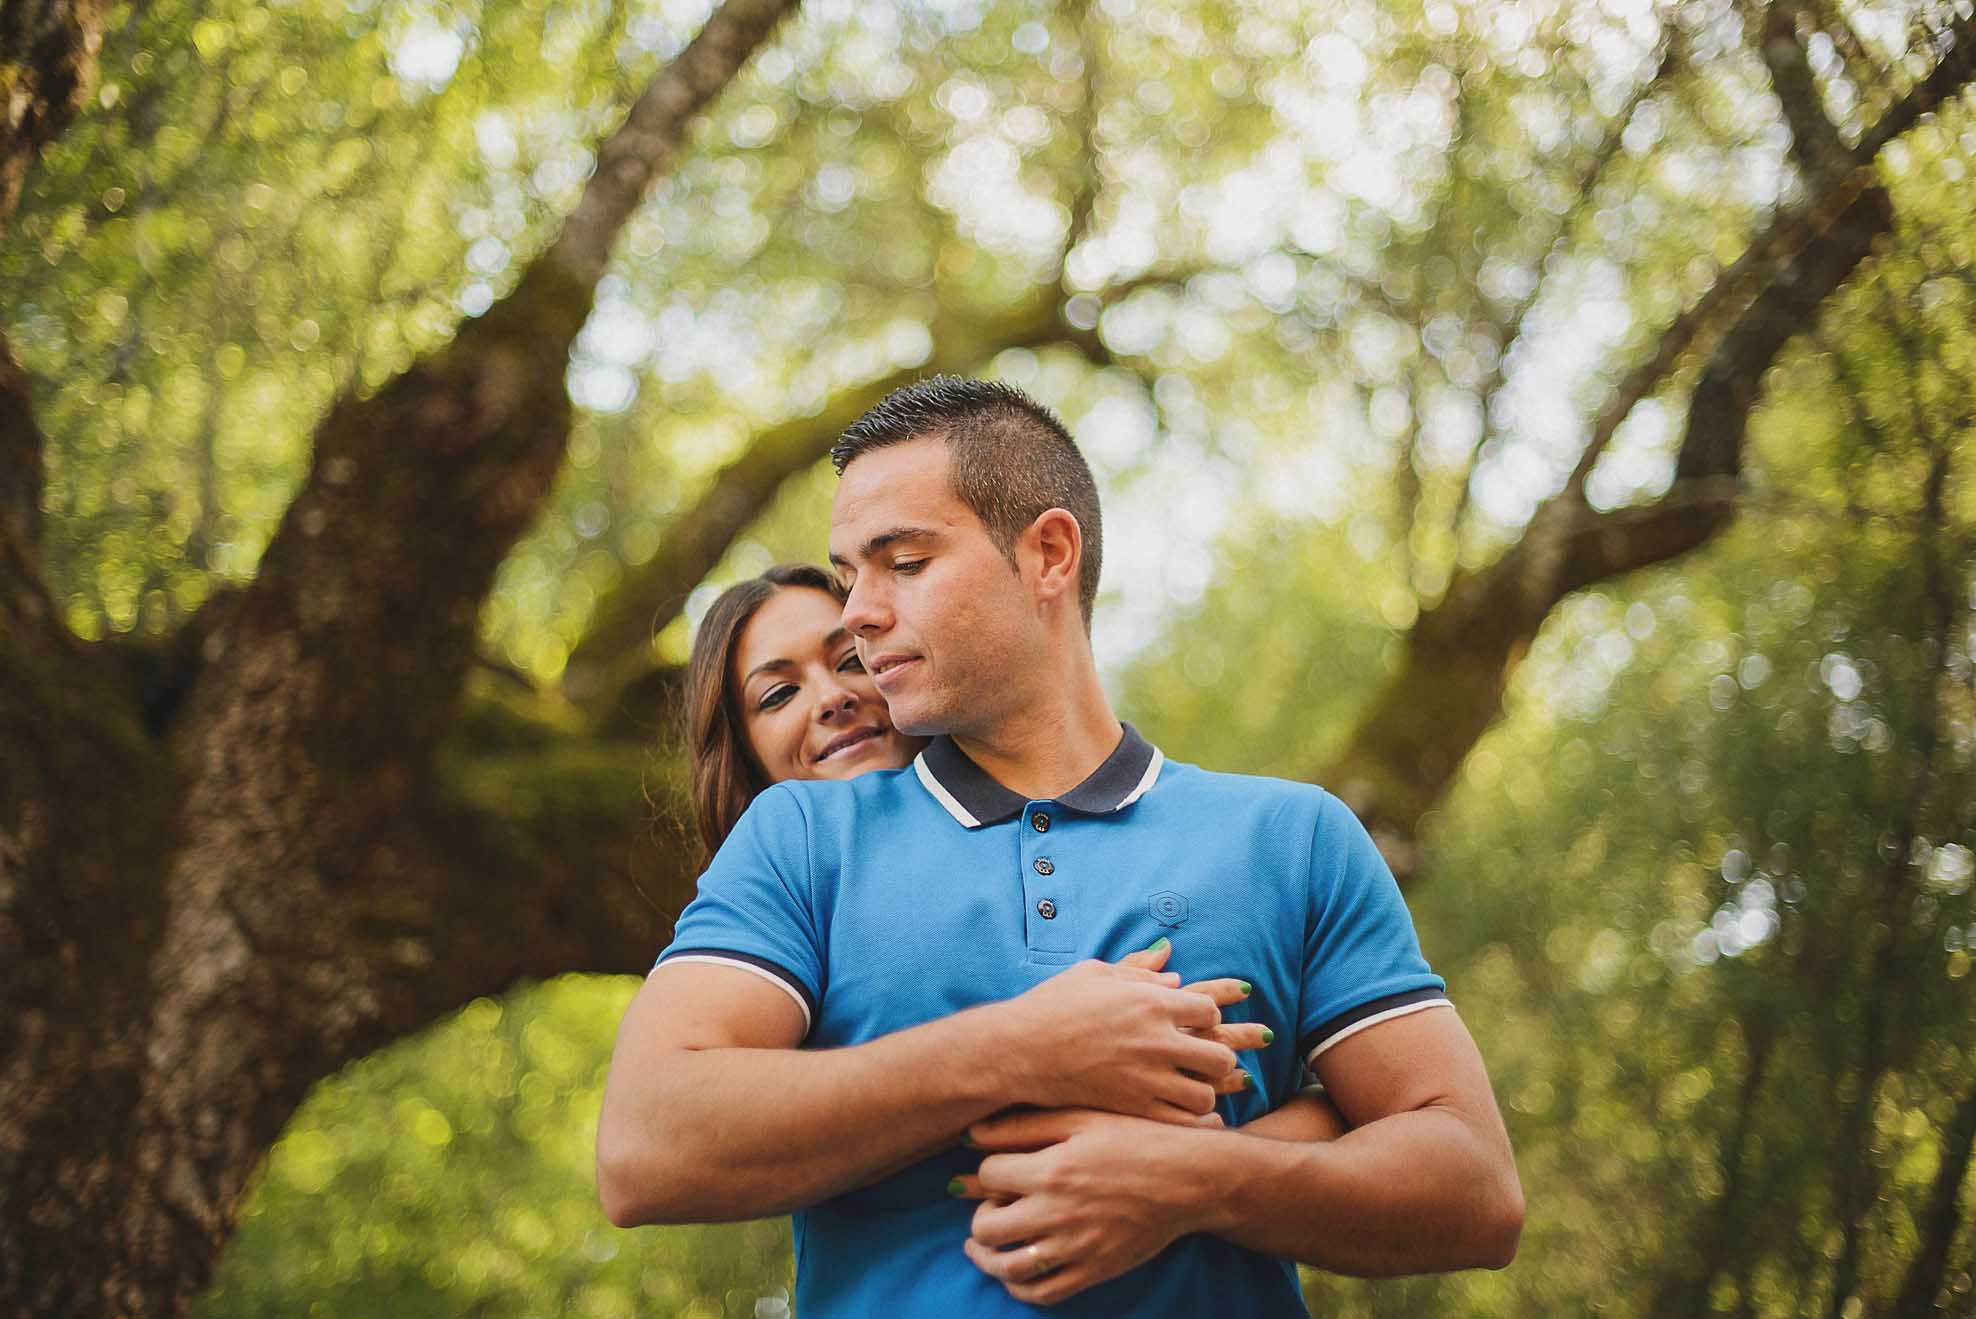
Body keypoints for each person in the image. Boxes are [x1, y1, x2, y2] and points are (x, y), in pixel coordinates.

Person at [598, 377, 1523, 1315]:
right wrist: (1024, 1047)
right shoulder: (800, 836)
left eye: (904, 563)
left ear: (1047, 553)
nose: (860, 614)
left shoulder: (1294, 836)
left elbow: (1475, 1186)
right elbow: (645, 1148)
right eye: (848, 578)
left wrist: (1200, 1179)